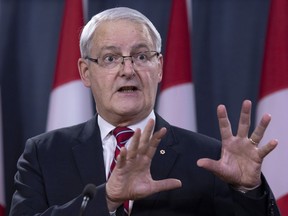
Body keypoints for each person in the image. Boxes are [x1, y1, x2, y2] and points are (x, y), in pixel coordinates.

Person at [9, 7, 280, 216]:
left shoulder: (210, 159)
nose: (128, 71)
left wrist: (249, 190)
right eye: (110, 58)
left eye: (141, 56)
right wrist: (107, 199)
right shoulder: (44, 155)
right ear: (85, 72)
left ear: (159, 67)